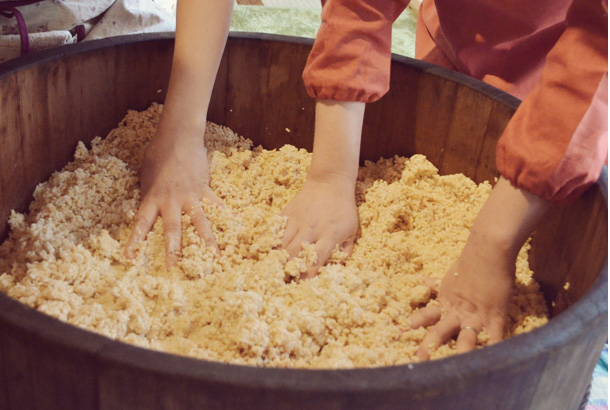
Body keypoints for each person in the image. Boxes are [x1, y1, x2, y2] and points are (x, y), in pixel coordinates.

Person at [296, 0, 607, 359]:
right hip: (455, 33)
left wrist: (491, 247)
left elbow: (596, 59)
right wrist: (330, 176)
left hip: (569, 79)